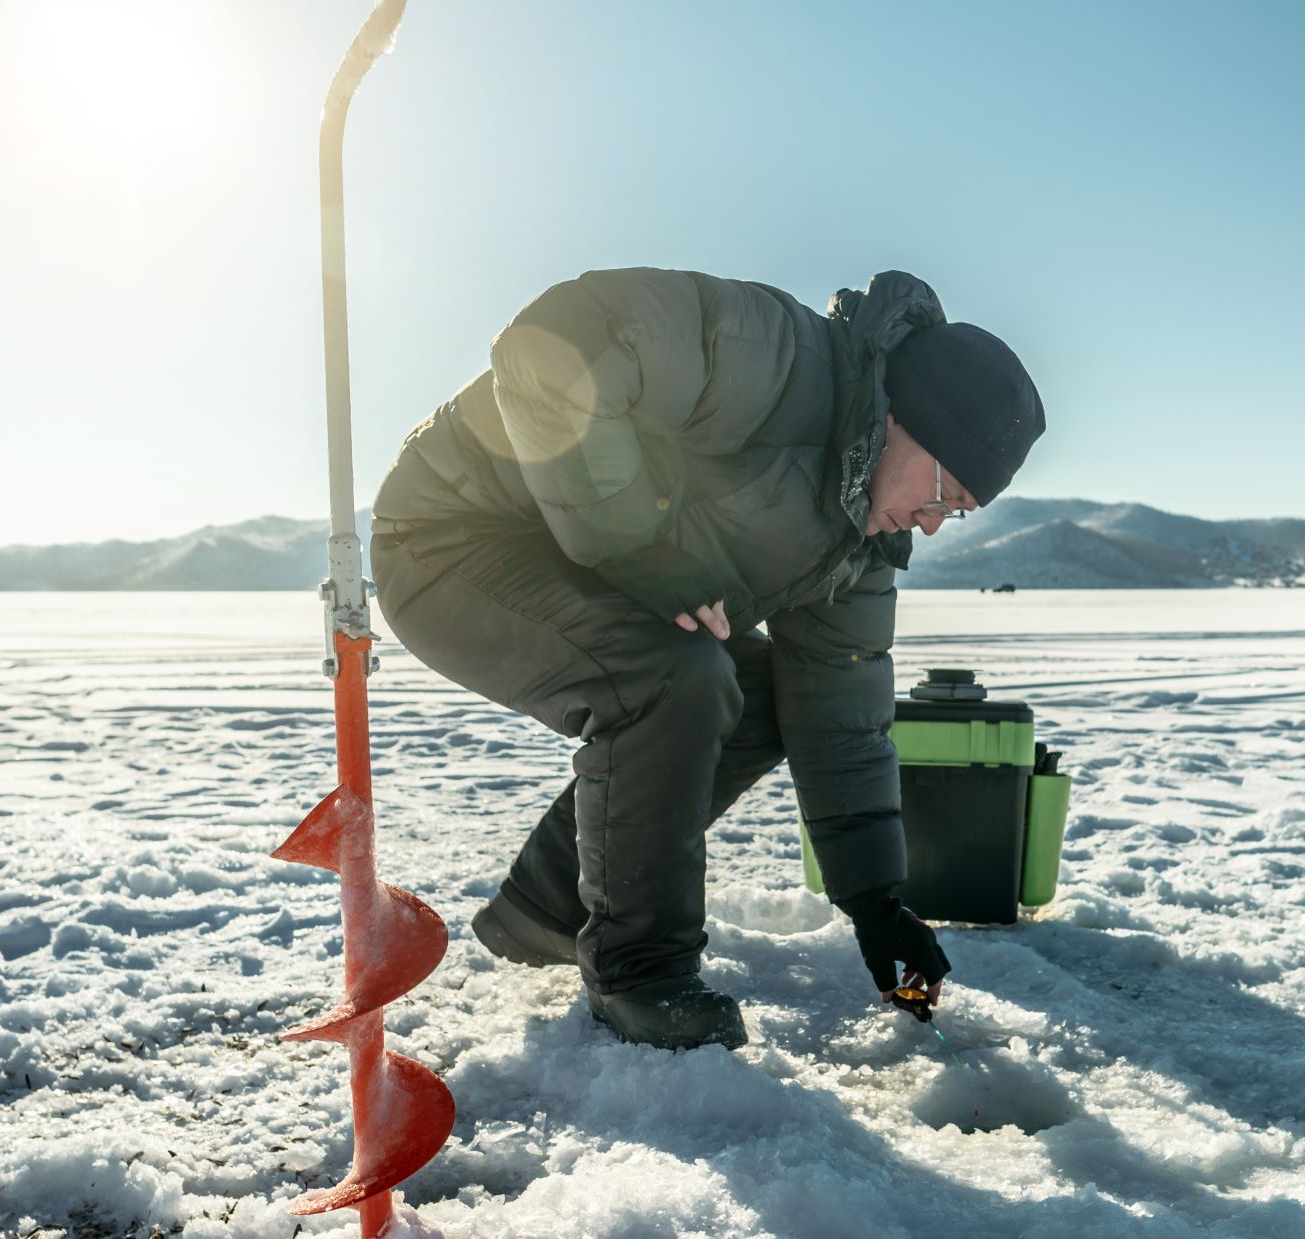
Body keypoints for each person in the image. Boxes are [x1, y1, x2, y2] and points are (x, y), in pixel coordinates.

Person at [369, 267, 1046, 1050]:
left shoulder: (858, 542)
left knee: (762, 692)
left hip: (575, 564)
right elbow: (547, 345)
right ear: (906, 418)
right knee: (676, 674)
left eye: (957, 514)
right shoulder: (777, 360)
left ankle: (546, 911)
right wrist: (637, 541)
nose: (932, 524)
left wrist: (874, 902)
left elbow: (838, 716)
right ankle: (641, 973)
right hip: (450, 533)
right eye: (944, 490)